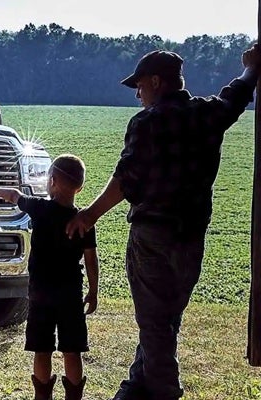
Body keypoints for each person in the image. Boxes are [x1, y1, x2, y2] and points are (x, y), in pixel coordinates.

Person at [66, 44, 261, 400]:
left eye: (139, 86)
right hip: (191, 239)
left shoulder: (147, 122)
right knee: (166, 322)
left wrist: (90, 214)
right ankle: (132, 390)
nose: (137, 94)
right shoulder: (208, 114)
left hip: (152, 237)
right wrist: (251, 69)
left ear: (156, 82)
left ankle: (164, 391)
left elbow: (127, 178)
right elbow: (236, 96)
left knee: (156, 327)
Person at [0, 154, 99, 400]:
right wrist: (94, 291)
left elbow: (15, 196)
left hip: (41, 292)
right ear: (80, 187)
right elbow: (91, 258)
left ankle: (42, 395)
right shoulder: (83, 221)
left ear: (53, 181)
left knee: (42, 347)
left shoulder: (40, 208)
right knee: (72, 348)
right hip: (70, 293)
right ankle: (74, 397)